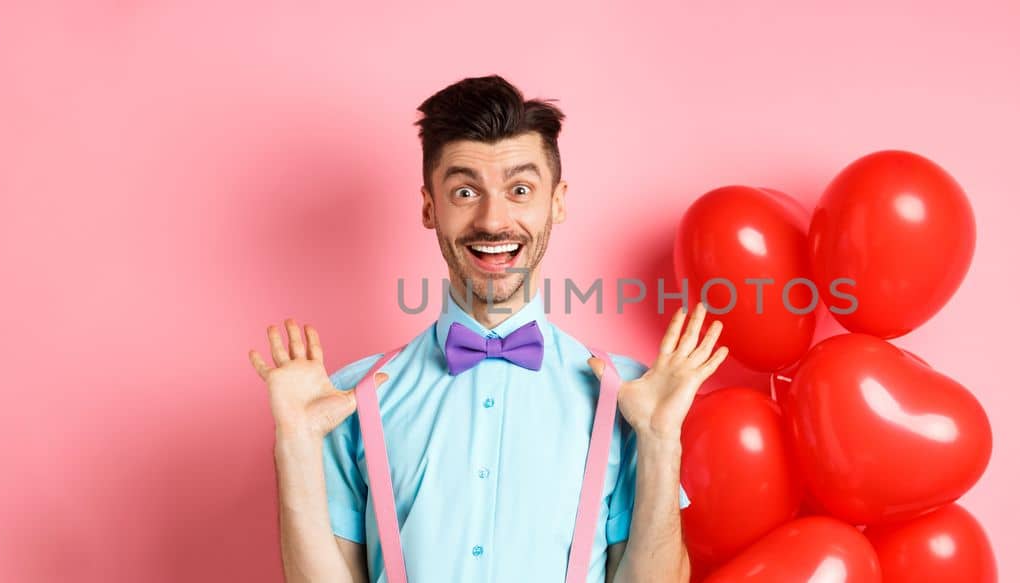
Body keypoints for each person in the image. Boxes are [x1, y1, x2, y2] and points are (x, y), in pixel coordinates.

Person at [248, 75, 728, 583]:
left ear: (557, 202)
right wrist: (296, 445)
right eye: (464, 191)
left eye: (519, 190)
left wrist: (658, 440)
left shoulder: (630, 397)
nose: (493, 219)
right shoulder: (348, 400)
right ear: (430, 206)